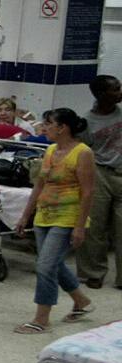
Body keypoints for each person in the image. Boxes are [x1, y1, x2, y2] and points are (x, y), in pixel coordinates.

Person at [14, 109, 97, 334]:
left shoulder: (82, 153)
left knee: (45, 265)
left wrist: (79, 226)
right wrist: (25, 215)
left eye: (48, 124)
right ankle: (81, 301)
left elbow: (88, 192)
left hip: (68, 216)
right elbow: (40, 185)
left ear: (62, 128)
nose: (44, 128)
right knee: (52, 263)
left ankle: (41, 319)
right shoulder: (50, 150)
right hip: (44, 214)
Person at [77, 75, 122, 290]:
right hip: (100, 172)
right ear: (102, 94)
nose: (120, 92)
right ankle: (92, 273)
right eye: (116, 88)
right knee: (94, 226)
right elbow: (83, 150)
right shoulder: (86, 121)